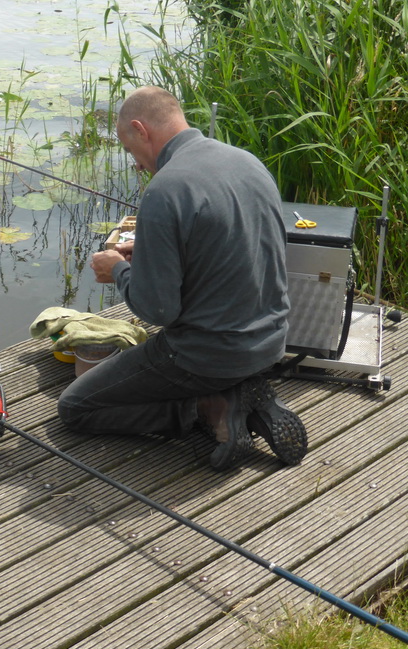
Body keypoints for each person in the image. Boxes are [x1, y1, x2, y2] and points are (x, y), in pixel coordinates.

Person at [58, 86, 307, 470]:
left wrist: (119, 270)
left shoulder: (166, 189)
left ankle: (207, 408)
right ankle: (241, 395)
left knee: (75, 408)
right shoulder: (247, 162)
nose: (138, 165)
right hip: (272, 341)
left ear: (141, 130)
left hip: (205, 356)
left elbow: (158, 310)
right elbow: (229, 250)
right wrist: (150, 255)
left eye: (130, 150)